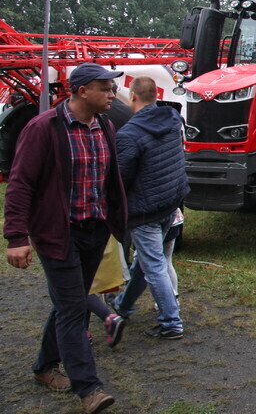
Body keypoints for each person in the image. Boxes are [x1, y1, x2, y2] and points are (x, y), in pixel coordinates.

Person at [4, 62, 126, 414]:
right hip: (58, 234)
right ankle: (89, 389)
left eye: (111, 88)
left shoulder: (105, 126)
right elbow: (21, 183)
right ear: (81, 90)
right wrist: (16, 237)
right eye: (105, 88)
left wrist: (117, 222)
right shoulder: (44, 128)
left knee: (68, 303)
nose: (112, 94)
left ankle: (44, 367)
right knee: (74, 309)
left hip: (95, 229)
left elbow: (110, 180)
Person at [112, 77, 189, 340]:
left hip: (145, 210)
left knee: (154, 264)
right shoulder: (172, 120)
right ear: (156, 94)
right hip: (170, 203)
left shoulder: (129, 134)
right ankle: (123, 305)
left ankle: (171, 322)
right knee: (145, 264)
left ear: (132, 96)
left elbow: (120, 179)